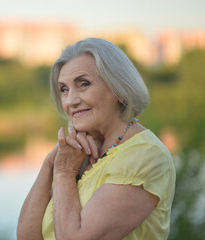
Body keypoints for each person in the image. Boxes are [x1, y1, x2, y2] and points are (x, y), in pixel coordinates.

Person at [17, 38, 176, 240]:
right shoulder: (75, 153)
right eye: (64, 89)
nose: (71, 101)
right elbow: (26, 236)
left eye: (83, 84)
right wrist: (51, 163)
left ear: (118, 88)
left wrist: (64, 173)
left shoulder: (145, 155)